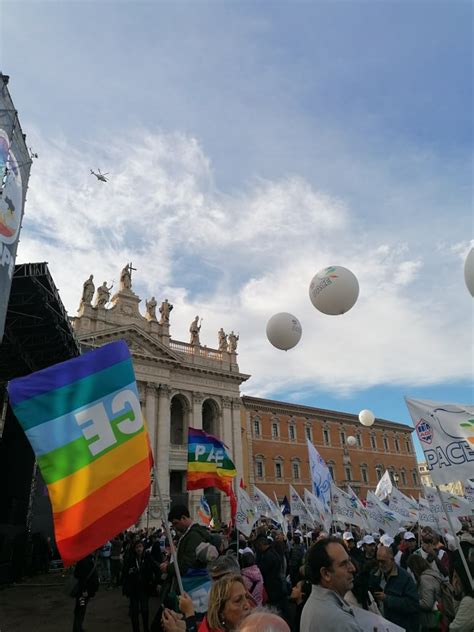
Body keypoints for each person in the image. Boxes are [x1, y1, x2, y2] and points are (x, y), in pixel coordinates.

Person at [300, 537, 362, 632]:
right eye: (343, 564)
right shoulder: (341, 622)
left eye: (349, 561)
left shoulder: (313, 604)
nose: (352, 568)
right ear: (326, 574)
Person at [370, 544, 420, 632]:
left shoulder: (405, 578)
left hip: (401, 627)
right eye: (379, 561)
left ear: (392, 560)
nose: (381, 564)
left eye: (383, 561)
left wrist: (388, 599)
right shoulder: (375, 575)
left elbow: (413, 604)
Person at [122, 539, 157, 632]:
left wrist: (157, 581)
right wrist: (130, 572)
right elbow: (124, 572)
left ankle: (146, 628)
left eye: (140, 547)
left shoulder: (148, 557)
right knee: (134, 612)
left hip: (145, 588)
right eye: (137, 547)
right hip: (133, 589)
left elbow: (155, 567)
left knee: (145, 610)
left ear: (143, 547)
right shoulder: (130, 559)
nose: (139, 549)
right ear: (134, 549)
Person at [255, 534, 290, 622]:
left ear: (262, 545)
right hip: (277, 585)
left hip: (272, 587)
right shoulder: (273, 552)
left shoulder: (267, 556)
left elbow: (262, 570)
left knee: (276, 610)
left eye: (259, 546)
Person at [407, 553, 444, 631]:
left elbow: (427, 604)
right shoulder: (433, 573)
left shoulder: (425, 579)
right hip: (437, 619)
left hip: (431, 622)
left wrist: (412, 600)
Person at [72, 552, 99, 632]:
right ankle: (77, 629)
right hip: (83, 593)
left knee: (80, 609)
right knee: (80, 609)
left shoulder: (84, 560)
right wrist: (85, 590)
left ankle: (78, 628)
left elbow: (77, 574)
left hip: (83, 591)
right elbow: (82, 578)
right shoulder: (86, 561)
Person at [449, 553, 474, 632]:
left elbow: (455, 628)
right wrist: (457, 596)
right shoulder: (466, 595)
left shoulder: (469, 601)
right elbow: (459, 615)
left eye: (456, 576)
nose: (454, 580)